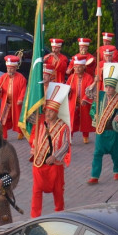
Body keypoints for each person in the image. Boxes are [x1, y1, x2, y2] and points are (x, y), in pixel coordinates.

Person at [29, 82, 71, 218]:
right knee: (36, 190)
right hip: (39, 163)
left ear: (56, 112)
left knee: (58, 191)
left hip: (55, 164)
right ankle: (35, 216)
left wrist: (55, 156)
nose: (48, 114)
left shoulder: (63, 126)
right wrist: (35, 103)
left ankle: (60, 213)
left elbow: (66, 145)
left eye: (51, 111)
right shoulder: (40, 120)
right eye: (47, 111)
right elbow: (27, 118)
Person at [86, 70, 118, 185]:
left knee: (116, 153)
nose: (108, 89)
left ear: (115, 88)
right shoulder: (100, 95)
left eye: (111, 87)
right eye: (107, 86)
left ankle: (117, 170)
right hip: (101, 130)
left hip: (114, 131)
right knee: (97, 153)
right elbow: (88, 94)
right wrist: (95, 83)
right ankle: (94, 176)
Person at [0, 55, 26, 140]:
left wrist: (20, 98)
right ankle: (4, 135)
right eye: (8, 68)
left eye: (11, 68)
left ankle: (20, 132)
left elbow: (23, 89)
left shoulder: (21, 78)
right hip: (6, 102)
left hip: (16, 102)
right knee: (4, 118)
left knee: (17, 118)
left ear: (16, 68)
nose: (9, 70)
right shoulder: (3, 77)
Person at [66, 54, 95, 144]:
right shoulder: (71, 77)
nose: (77, 69)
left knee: (85, 119)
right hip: (73, 102)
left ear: (83, 67)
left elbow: (90, 89)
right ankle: (70, 136)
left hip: (84, 102)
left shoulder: (88, 77)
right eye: (75, 67)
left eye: (79, 67)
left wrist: (85, 99)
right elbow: (67, 87)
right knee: (71, 119)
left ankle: (85, 136)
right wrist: (68, 91)